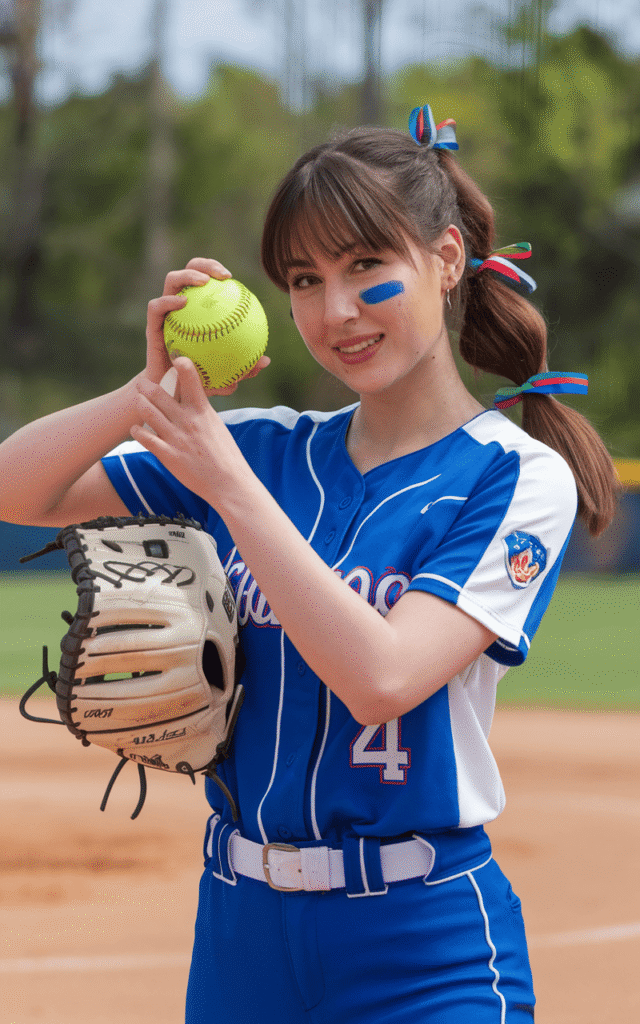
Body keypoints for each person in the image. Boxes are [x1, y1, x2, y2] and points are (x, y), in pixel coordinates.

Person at [0, 105, 618, 1022]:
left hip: (422, 943)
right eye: (304, 277)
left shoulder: (516, 474)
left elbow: (383, 676)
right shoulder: (262, 447)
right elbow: (20, 492)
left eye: (368, 266)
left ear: (445, 261)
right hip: (240, 931)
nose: (336, 311)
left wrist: (225, 486)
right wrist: (144, 394)